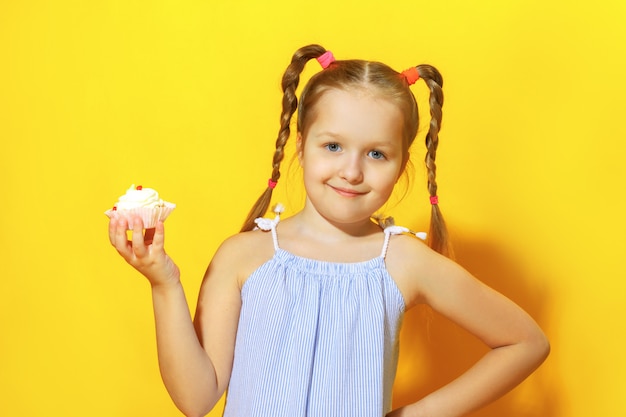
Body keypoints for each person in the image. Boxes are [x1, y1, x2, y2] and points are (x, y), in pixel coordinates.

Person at [108, 44, 549, 417]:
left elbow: (526, 342)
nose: (352, 171)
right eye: (333, 146)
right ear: (301, 144)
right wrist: (164, 283)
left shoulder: (403, 263)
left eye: (377, 154)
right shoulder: (243, 257)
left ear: (402, 165)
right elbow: (196, 399)